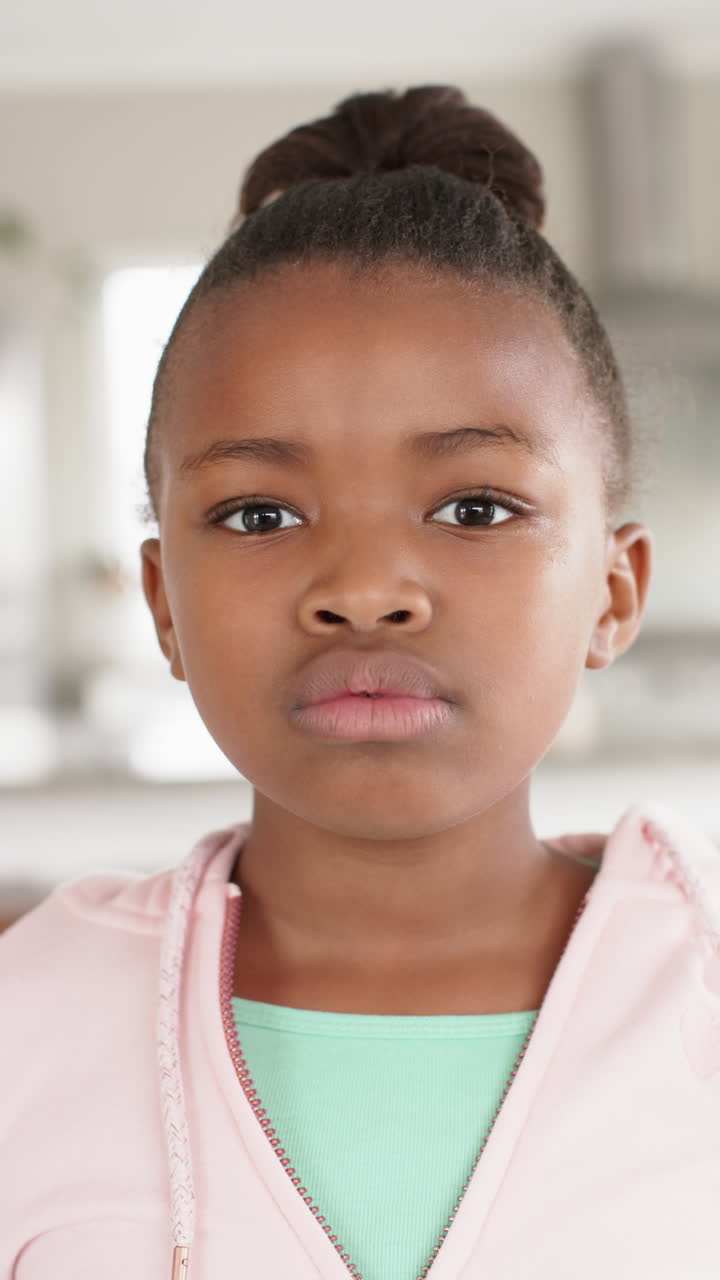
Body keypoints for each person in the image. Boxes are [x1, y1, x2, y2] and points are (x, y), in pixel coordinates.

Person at [1, 85, 718, 1280]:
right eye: (259, 511)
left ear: (613, 589)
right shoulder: (28, 1020)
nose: (367, 587)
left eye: (476, 506)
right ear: (162, 601)